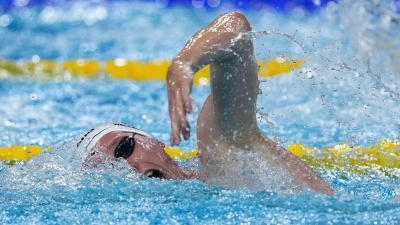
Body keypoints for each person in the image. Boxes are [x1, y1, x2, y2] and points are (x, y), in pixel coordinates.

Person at [79, 12, 335, 196]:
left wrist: (184, 61)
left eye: (124, 148)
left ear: (154, 142)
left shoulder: (222, 150)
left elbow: (237, 29)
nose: (128, 166)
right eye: (110, 169)